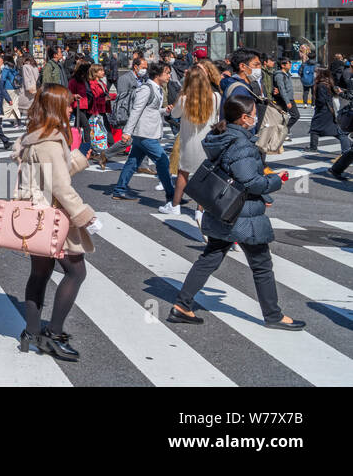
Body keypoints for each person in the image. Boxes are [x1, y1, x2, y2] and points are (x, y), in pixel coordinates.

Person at [166, 92, 306, 330]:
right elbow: (251, 181)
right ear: (243, 118)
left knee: (210, 256)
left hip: (223, 208)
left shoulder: (220, 136)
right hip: (243, 214)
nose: (256, 118)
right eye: (253, 115)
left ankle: (182, 304)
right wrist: (275, 182)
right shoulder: (241, 144)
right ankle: (273, 315)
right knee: (261, 265)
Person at [12, 83, 99, 362]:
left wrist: (79, 158)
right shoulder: (49, 141)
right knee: (76, 272)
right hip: (52, 216)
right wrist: (86, 216)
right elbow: (60, 187)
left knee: (40, 273)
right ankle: (53, 333)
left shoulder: (36, 136)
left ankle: (32, 332)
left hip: (35, 215)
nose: (72, 107)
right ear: (56, 108)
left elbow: (50, 174)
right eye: (68, 104)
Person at [110, 62, 176, 208]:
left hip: (145, 132)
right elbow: (136, 110)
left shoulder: (156, 88)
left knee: (133, 162)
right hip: (145, 133)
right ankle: (172, 196)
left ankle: (119, 189)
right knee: (163, 161)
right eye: (167, 72)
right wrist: (127, 132)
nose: (169, 75)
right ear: (158, 74)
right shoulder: (146, 89)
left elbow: (150, 110)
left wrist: (164, 111)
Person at [168, 64, 220, 221]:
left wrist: (181, 93)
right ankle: (199, 209)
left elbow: (174, 114)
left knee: (183, 174)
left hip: (188, 142)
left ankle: (175, 205)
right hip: (208, 143)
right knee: (204, 177)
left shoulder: (184, 99)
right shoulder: (216, 97)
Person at [309, 68, 348, 156]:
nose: (315, 74)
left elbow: (322, 100)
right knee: (335, 130)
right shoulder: (328, 83)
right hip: (329, 110)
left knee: (314, 128)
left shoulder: (321, 85)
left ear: (320, 74)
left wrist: (317, 104)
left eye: (316, 72)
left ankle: (313, 147)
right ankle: (347, 146)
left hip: (323, 110)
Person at [273, 57, 300, 130]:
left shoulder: (287, 74)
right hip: (284, 99)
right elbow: (282, 90)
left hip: (289, 98)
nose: (290, 65)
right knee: (292, 116)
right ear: (283, 65)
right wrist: (287, 101)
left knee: (293, 116)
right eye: (289, 63)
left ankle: (284, 130)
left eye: (290, 63)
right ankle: (283, 131)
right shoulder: (279, 75)